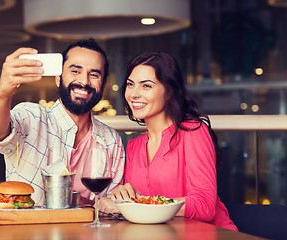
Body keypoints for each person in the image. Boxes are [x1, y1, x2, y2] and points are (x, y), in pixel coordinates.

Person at [101, 51, 238, 231]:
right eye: (130, 84)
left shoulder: (193, 132)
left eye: (146, 86)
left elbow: (205, 206)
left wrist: (142, 203)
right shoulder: (134, 147)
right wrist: (118, 199)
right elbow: (137, 206)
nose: (134, 94)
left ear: (169, 92)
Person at [0, 38, 125, 206]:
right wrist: (3, 92)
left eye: (94, 75)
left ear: (104, 85)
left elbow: (111, 205)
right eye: (75, 71)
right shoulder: (31, 117)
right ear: (58, 77)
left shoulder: (111, 140)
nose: (84, 82)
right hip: (28, 230)